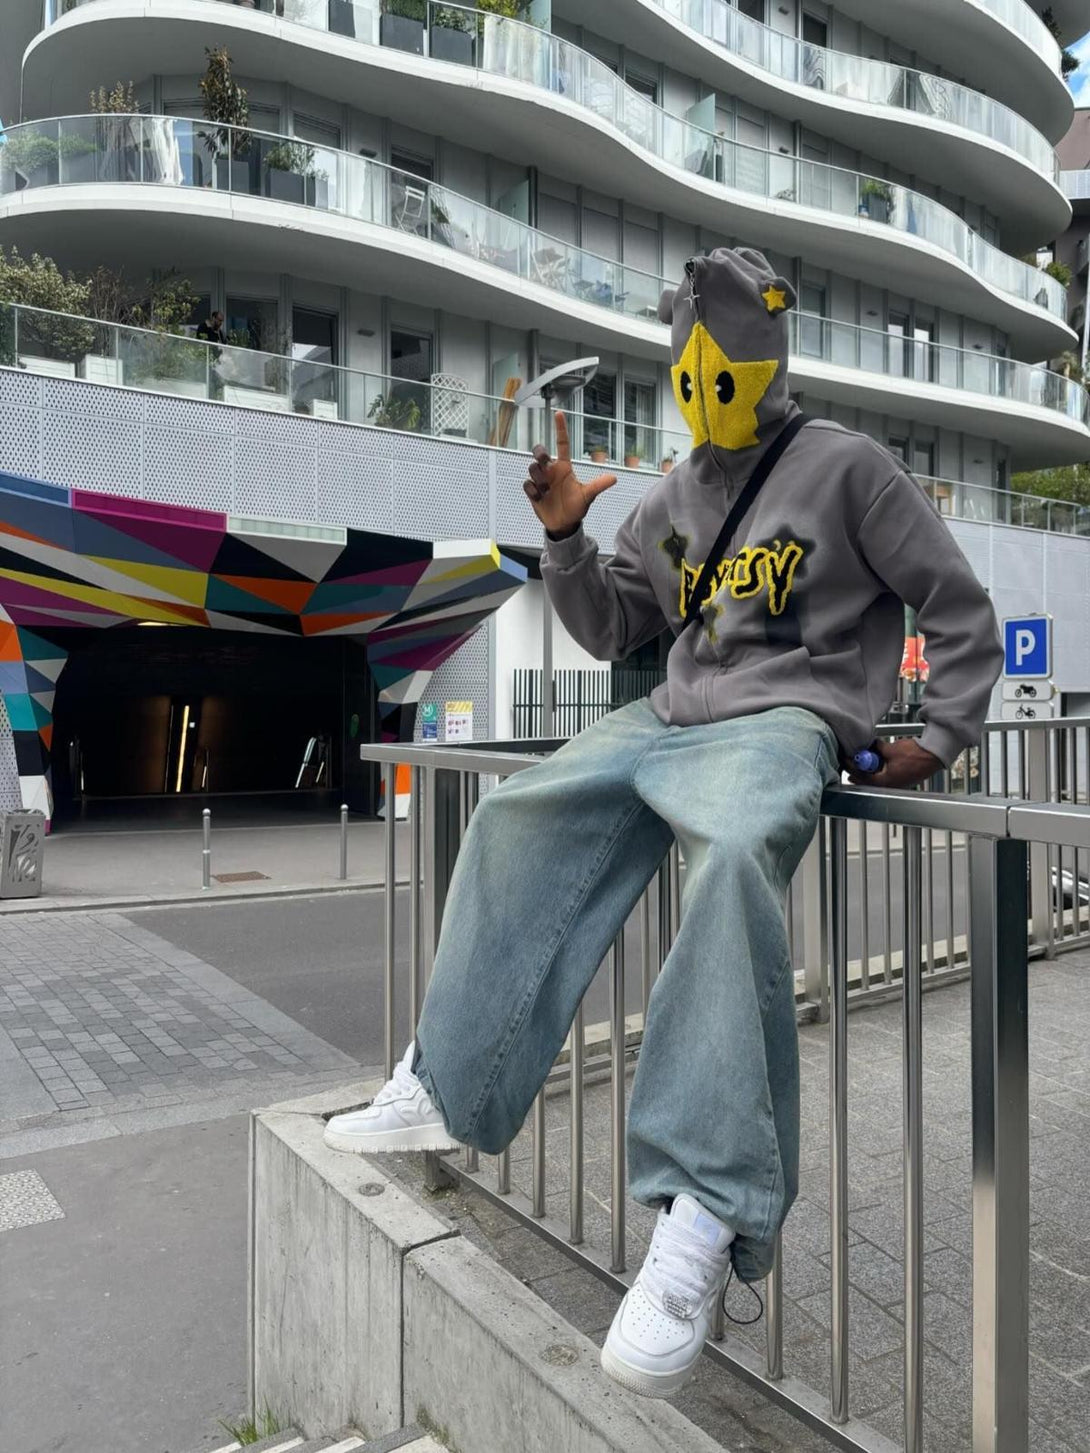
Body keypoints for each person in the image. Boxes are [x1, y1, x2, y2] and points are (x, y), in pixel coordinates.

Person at [324, 247, 1003, 1399]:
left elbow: (956, 601)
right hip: (667, 710)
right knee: (512, 817)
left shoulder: (848, 469)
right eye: (687, 356)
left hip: (787, 716)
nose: (701, 376)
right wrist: (565, 537)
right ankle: (449, 1084)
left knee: (733, 859)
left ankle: (704, 1211)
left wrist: (938, 734)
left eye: (716, 351)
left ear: (759, 351)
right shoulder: (670, 494)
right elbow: (610, 629)